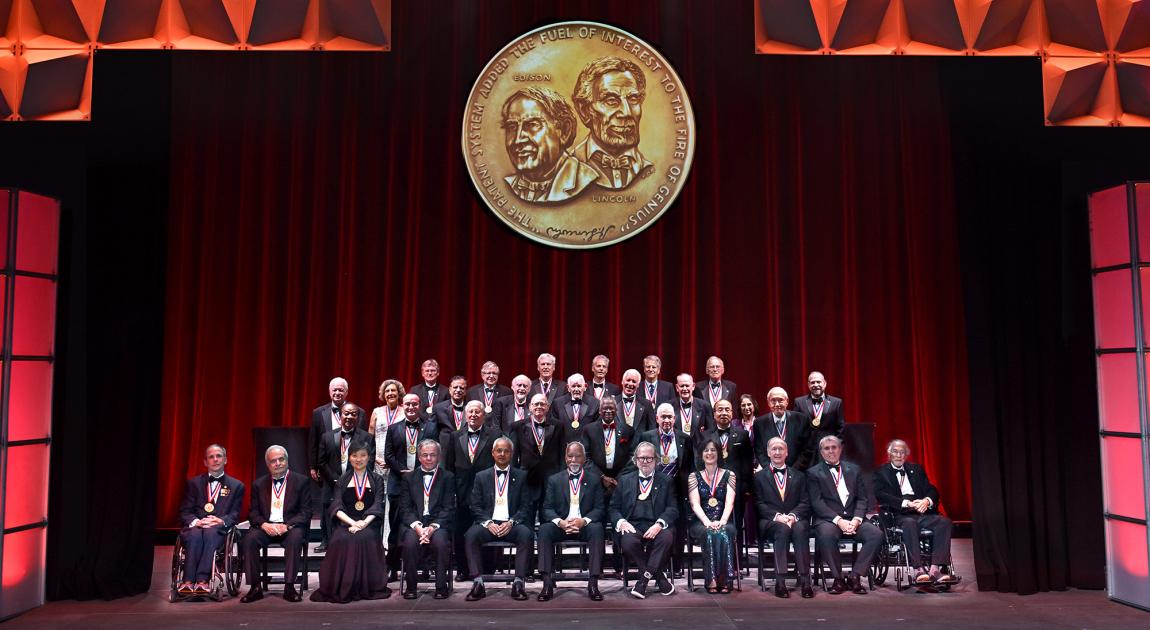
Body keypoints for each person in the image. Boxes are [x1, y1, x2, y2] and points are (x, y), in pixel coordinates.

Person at [309, 440, 391, 602]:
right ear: (349, 457)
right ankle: (343, 585)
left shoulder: (377, 480)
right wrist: (353, 524)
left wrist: (363, 523)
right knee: (341, 538)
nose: (358, 459)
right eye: (354, 456)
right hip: (346, 522)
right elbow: (336, 506)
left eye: (363, 456)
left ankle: (366, 586)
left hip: (369, 522)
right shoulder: (341, 480)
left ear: (369, 458)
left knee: (365, 537)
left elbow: (377, 505)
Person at [872, 439, 956, 586]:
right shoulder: (881, 472)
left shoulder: (916, 469)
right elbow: (880, 495)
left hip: (921, 512)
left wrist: (927, 501)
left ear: (906, 455)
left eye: (902, 452)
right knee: (909, 523)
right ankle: (918, 569)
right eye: (895, 452)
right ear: (889, 454)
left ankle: (935, 569)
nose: (899, 455)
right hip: (898, 514)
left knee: (944, 522)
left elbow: (931, 489)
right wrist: (906, 503)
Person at [807, 435, 882, 595]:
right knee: (826, 535)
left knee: (876, 535)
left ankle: (855, 576)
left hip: (854, 518)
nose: (831, 451)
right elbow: (817, 503)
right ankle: (838, 578)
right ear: (821, 452)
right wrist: (839, 520)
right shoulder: (813, 473)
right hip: (829, 519)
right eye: (827, 448)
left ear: (840, 449)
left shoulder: (854, 469)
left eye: (834, 447)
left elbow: (863, 498)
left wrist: (856, 519)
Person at [464, 437, 535, 601]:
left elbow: (526, 505)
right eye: (499, 450)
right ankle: (478, 582)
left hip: (511, 524)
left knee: (526, 534)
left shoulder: (522, 476)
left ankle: (519, 582)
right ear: (493, 453)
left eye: (506, 451)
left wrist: (511, 522)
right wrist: (488, 523)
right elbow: (475, 505)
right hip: (489, 524)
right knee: (470, 535)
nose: (502, 454)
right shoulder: (481, 476)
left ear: (511, 454)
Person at [501, 86, 599, 202]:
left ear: (564, 131)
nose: (518, 140)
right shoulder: (506, 187)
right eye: (511, 127)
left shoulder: (586, 181)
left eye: (532, 125)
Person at [570, 56, 654, 190]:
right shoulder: (568, 168)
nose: (626, 112)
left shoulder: (651, 172)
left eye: (633, 99)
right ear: (585, 111)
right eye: (611, 101)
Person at [241, 445, 312, 602]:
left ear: (287, 460)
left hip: (290, 526)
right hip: (267, 526)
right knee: (249, 540)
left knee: (294, 540)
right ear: (268, 464)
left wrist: (287, 526)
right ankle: (255, 587)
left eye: (281, 459)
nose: (278, 463)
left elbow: (306, 512)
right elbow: (253, 513)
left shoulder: (301, 481)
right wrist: (264, 525)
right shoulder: (258, 485)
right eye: (274, 461)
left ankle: (289, 586)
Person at [537, 442, 606, 601]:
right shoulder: (554, 480)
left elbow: (599, 509)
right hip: (562, 525)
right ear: (565, 458)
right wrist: (560, 522)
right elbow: (547, 508)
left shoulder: (594, 479)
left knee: (597, 529)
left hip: (584, 525)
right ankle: (547, 583)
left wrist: (584, 521)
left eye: (578, 456)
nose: (574, 459)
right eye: (570, 456)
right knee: (544, 530)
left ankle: (593, 583)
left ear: (584, 459)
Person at [440, 400, 501, 580]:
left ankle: (488, 567)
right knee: (461, 532)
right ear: (466, 415)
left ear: (484, 415)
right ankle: (463, 569)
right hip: (462, 492)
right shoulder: (454, 436)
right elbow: (449, 466)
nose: (473, 415)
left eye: (477, 412)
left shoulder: (494, 435)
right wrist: (451, 492)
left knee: (489, 528)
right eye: (470, 412)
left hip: (488, 492)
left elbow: (500, 462)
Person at [609, 442, 678, 599]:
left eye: (649, 458)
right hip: (632, 525)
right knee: (627, 542)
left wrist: (659, 524)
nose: (645, 461)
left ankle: (643, 582)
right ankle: (660, 578)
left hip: (656, 524)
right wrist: (621, 522)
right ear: (635, 460)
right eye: (641, 458)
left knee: (666, 538)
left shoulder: (666, 481)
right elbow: (613, 508)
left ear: (656, 460)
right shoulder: (624, 480)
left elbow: (673, 509)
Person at [383, 394, 440, 576]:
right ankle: (392, 567)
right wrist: (402, 471)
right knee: (396, 526)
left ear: (420, 406)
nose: (411, 407)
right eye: (407, 404)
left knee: (422, 524)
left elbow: (433, 454)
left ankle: (424, 567)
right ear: (402, 405)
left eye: (414, 404)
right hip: (398, 484)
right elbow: (388, 455)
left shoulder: (430, 427)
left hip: (423, 484)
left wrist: (416, 474)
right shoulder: (393, 428)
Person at [177, 444, 244, 596]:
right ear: (205, 462)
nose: (215, 459)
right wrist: (196, 522)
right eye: (211, 457)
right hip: (196, 527)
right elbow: (185, 511)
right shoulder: (193, 484)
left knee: (210, 534)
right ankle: (187, 581)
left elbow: (235, 514)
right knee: (194, 535)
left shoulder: (237, 486)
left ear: (225, 460)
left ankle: (202, 580)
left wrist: (220, 521)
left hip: (218, 529)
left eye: (219, 456)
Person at [754, 437, 813, 598]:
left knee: (801, 529)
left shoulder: (800, 476)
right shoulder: (759, 477)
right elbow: (759, 504)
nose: (777, 452)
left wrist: (793, 516)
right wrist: (777, 517)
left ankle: (805, 581)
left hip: (795, 519)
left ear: (787, 452)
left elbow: (805, 502)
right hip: (770, 522)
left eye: (781, 449)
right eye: (774, 449)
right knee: (782, 530)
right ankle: (780, 581)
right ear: (768, 452)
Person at [398, 440, 456, 599]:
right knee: (409, 543)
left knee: (441, 542)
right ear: (419, 457)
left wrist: (432, 528)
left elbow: (448, 507)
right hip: (414, 524)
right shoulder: (408, 478)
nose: (429, 458)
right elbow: (405, 508)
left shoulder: (448, 477)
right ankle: (411, 587)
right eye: (425, 455)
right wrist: (418, 527)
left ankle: (441, 586)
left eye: (433, 455)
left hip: (438, 524)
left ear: (439, 457)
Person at [317, 403, 374, 552]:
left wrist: (349, 479)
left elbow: (370, 461)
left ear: (358, 417)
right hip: (331, 483)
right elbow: (321, 462)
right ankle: (327, 543)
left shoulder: (366, 437)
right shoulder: (327, 436)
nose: (349, 417)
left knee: (352, 513)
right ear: (340, 415)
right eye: (346, 413)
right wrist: (335, 479)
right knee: (328, 513)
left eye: (353, 414)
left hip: (356, 483)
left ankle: (353, 544)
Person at [687, 439, 737, 593]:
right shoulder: (693, 476)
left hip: (723, 519)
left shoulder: (730, 475)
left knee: (724, 531)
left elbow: (730, 503)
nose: (710, 453)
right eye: (706, 450)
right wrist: (707, 522)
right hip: (701, 521)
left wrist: (722, 521)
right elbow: (695, 504)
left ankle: (724, 579)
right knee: (709, 532)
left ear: (719, 453)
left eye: (713, 450)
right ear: (701, 455)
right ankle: (712, 579)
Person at [511, 393, 566, 524]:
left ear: (547, 407)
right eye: (536, 404)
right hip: (527, 477)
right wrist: (514, 476)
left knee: (548, 515)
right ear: (530, 407)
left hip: (551, 477)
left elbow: (562, 452)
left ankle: (545, 543)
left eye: (542, 404)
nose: (539, 406)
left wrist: (562, 475)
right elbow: (514, 456)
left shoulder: (559, 425)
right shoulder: (517, 426)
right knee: (526, 515)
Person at [701, 400, 752, 533]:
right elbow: (699, 462)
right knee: (714, 527)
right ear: (714, 414)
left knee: (736, 528)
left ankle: (737, 554)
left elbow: (747, 463)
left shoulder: (742, 434)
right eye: (720, 410)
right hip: (712, 489)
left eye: (727, 410)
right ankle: (716, 554)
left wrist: (745, 488)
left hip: (736, 489)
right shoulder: (705, 435)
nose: (724, 413)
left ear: (732, 413)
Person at [308, 378, 365, 486]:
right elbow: (313, 441)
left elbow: (364, 440)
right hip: (326, 465)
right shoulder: (318, 413)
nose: (337, 393)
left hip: (353, 465)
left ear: (346, 392)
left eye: (341, 390)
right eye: (334, 390)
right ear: (330, 391)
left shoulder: (360, 412)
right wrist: (312, 466)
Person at [582, 396, 634, 499]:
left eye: (611, 408)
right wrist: (601, 477)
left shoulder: (627, 430)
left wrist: (619, 478)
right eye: (605, 408)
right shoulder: (589, 429)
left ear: (616, 410)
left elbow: (632, 456)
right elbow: (585, 457)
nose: (608, 411)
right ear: (600, 411)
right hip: (595, 479)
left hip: (620, 480)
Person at [753, 387, 811, 470]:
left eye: (780, 400)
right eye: (773, 400)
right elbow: (759, 450)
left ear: (787, 401)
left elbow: (807, 449)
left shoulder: (801, 419)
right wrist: (770, 469)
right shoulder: (759, 423)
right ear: (768, 402)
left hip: (798, 473)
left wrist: (794, 470)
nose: (777, 404)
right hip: (771, 474)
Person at [792, 371, 845, 452]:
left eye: (818, 382)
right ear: (808, 385)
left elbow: (840, 428)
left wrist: (836, 448)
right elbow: (795, 427)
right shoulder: (799, 402)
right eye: (812, 382)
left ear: (824, 383)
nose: (816, 385)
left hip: (828, 450)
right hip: (806, 451)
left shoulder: (836, 402)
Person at [368, 379, 405, 478]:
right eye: (387, 391)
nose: (390, 393)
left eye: (393, 390)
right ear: (383, 395)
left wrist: (393, 461)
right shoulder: (376, 412)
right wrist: (376, 458)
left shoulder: (405, 412)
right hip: (379, 462)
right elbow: (370, 439)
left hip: (398, 461)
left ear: (399, 393)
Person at [550, 373, 599, 442]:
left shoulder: (594, 403)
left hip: (586, 449)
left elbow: (596, 429)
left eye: (579, 386)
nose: (576, 389)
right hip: (565, 448)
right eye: (573, 386)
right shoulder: (558, 403)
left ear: (585, 387)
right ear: (568, 388)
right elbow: (554, 429)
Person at [616, 368, 656, 433]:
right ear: (622, 382)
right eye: (628, 380)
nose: (630, 384)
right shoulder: (613, 402)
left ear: (638, 385)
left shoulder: (647, 404)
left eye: (634, 381)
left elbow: (652, 430)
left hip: (640, 443)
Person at [673, 373, 712, 439]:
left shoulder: (705, 406)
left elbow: (710, 431)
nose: (685, 389)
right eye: (682, 386)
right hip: (677, 447)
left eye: (687, 386)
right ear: (677, 387)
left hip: (698, 447)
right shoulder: (670, 406)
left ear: (693, 386)